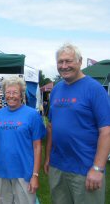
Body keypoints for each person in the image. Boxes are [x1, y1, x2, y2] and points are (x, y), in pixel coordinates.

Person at [44, 43, 110, 204]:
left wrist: (97, 168)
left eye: (68, 61)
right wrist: (48, 159)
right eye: (60, 62)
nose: (64, 66)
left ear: (79, 61)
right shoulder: (57, 90)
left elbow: (106, 131)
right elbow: (52, 128)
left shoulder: (95, 89)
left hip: (85, 169)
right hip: (58, 166)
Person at [0, 77, 45, 204]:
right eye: (8, 92)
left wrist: (35, 175)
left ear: (21, 94)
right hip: (2, 172)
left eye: (15, 92)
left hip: (24, 172)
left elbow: (38, 147)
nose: (11, 96)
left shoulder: (32, 115)